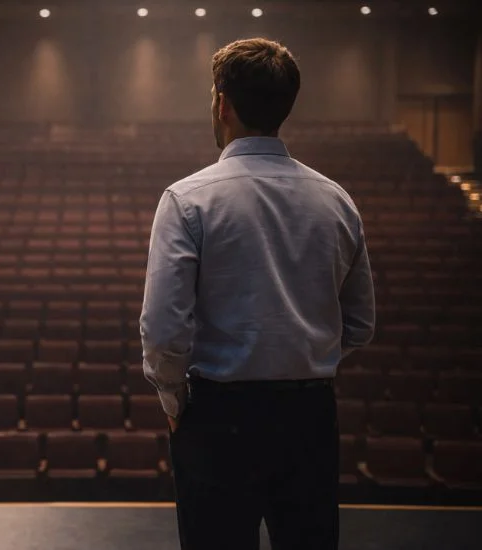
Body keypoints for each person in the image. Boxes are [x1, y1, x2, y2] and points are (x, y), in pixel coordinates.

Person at [139, 38, 375, 550]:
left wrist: (173, 399)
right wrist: (302, 360)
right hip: (310, 417)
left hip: (218, 417)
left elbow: (163, 330)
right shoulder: (337, 201)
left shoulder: (186, 200)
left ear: (222, 103)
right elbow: (360, 324)